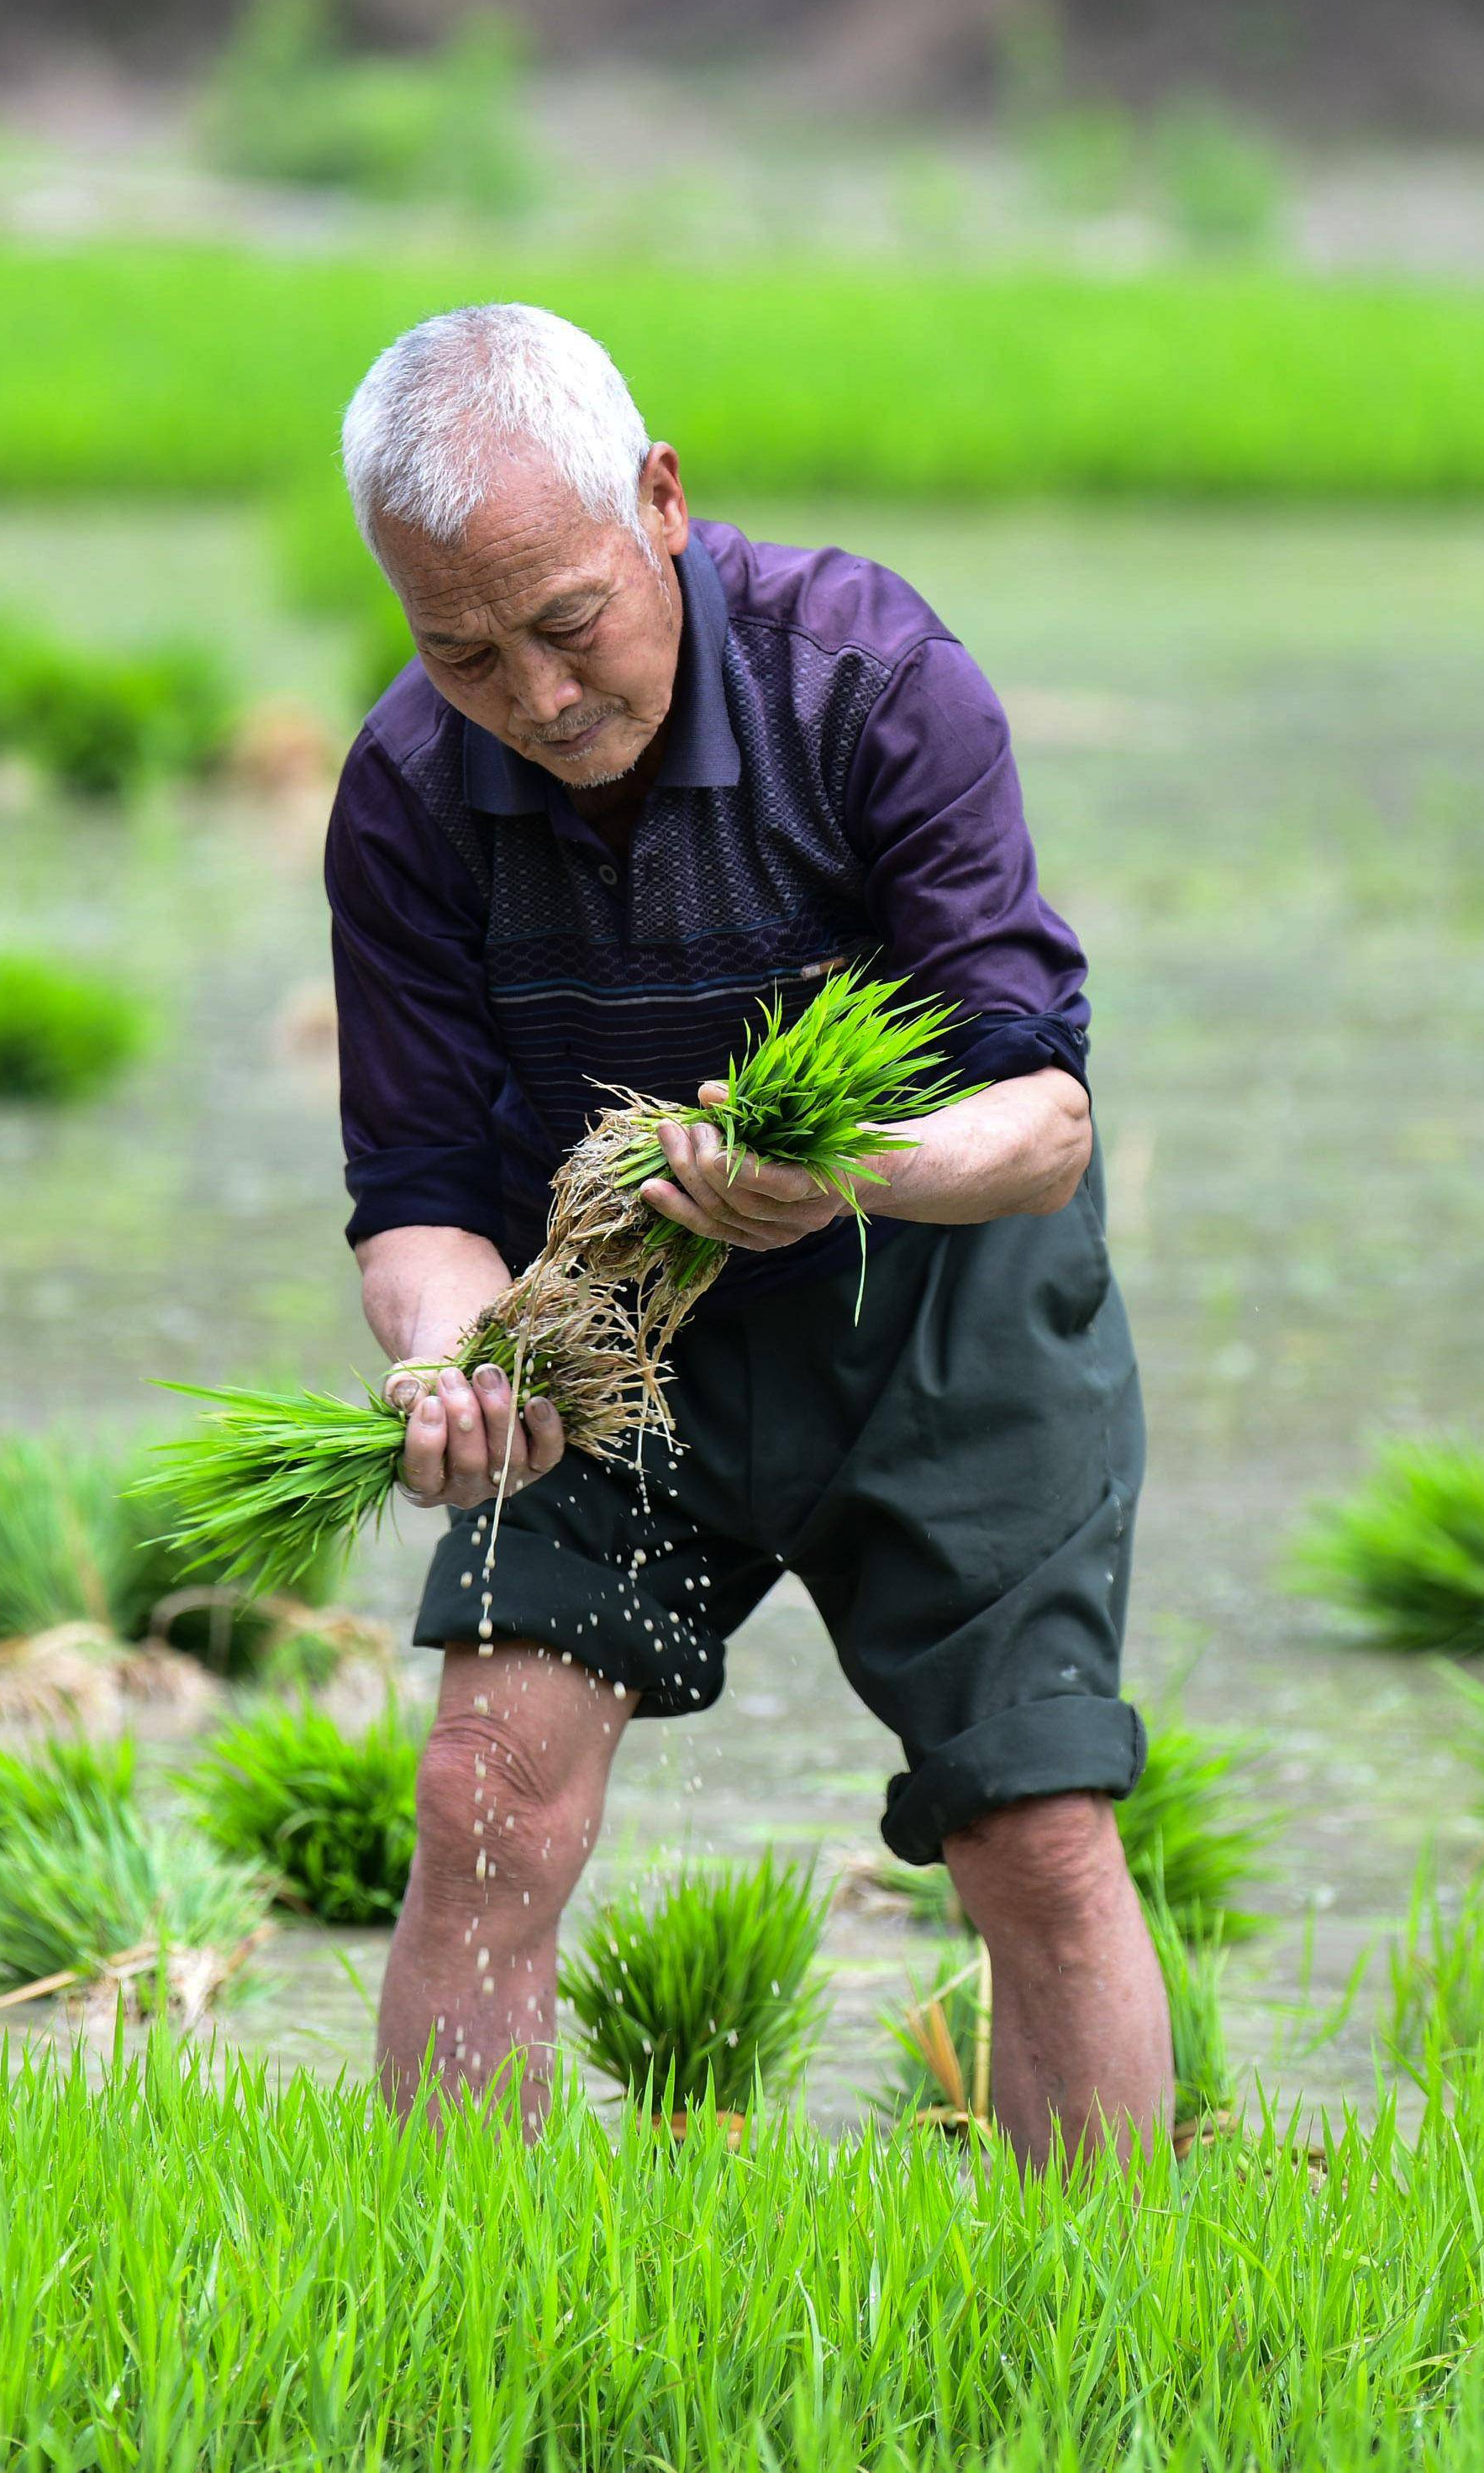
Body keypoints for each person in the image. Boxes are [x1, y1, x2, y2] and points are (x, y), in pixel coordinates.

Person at [328, 303, 1164, 2163]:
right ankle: (449, 2320)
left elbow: (1044, 1117)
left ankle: (1118, 2342)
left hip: (937, 1310)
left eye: (566, 623)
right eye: (459, 652)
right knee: (482, 1797)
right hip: (610, 1323)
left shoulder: (867, 681)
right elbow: (423, 1201)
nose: (533, 699)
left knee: (1028, 1824)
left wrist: (845, 1168)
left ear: (662, 500)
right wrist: (453, 1354)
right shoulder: (402, 794)